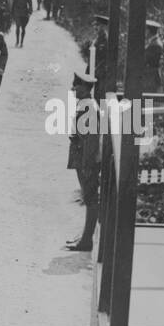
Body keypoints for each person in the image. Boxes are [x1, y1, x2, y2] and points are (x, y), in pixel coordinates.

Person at [66, 71, 101, 252]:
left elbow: (91, 139)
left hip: (85, 155)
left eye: (77, 87)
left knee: (90, 197)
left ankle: (87, 240)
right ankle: (85, 235)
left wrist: (88, 164)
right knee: (87, 196)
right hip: (80, 153)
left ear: (85, 89)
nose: (74, 90)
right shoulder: (85, 104)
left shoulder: (88, 107)